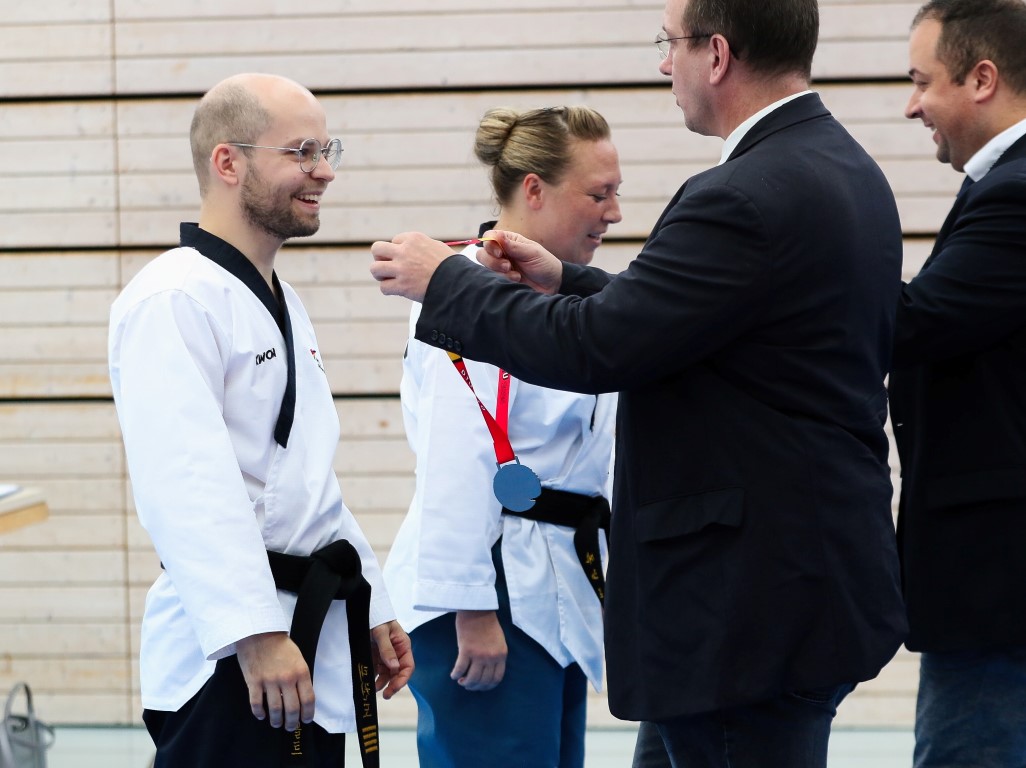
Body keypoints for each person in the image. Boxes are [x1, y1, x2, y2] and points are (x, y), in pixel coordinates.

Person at [369, 0, 910, 765]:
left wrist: (447, 283)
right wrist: (569, 281)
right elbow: (696, 324)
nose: (663, 63)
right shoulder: (845, 170)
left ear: (716, 55)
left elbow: (602, 346)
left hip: (745, 602)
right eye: (598, 194)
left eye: (670, 42)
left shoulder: (742, 194)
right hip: (787, 581)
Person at [108, 73, 413, 768]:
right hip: (235, 657)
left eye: (327, 150)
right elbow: (186, 483)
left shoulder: (277, 297)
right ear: (228, 162)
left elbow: (306, 479)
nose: (324, 171)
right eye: (302, 152)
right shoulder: (173, 298)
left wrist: (372, 602)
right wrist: (254, 633)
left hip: (305, 634)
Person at [383, 105, 622, 767]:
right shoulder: (466, 288)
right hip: (489, 593)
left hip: (553, 580)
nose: (614, 213)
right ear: (535, 189)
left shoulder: (569, 293)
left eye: (616, 193)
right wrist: (472, 608)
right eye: (598, 194)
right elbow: (457, 452)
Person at [890, 1, 1026, 765]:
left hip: (997, 592)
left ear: (982, 79)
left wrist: (805, 248)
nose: (911, 106)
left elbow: (915, 324)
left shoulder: (1016, 191)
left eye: (921, 81)